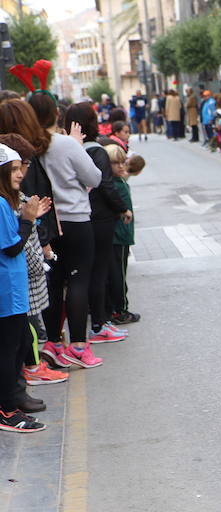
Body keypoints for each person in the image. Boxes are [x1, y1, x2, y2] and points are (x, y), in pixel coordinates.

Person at [30, 95, 105, 368]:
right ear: (55, 115)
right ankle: (78, 346)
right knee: (78, 280)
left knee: (55, 279)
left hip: (46, 220)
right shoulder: (64, 143)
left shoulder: (29, 145)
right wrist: (78, 146)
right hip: (75, 217)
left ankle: (52, 342)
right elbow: (94, 177)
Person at [66, 103, 131, 345]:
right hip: (99, 217)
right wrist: (122, 208)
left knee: (81, 275)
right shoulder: (96, 150)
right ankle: (99, 324)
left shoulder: (63, 148)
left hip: (72, 217)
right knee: (98, 272)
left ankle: (95, 324)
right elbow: (103, 183)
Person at [0, 143, 52, 432]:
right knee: (8, 353)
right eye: (15, 169)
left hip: (13, 291)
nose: (20, 174)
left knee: (16, 350)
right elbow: (11, 247)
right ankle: (7, 411)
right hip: (6, 292)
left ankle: (9, 406)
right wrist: (28, 220)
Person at [108, 150, 143, 325]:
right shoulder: (115, 185)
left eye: (123, 162)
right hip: (119, 235)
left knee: (117, 272)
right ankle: (119, 310)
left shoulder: (117, 182)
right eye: (116, 163)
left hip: (119, 235)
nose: (122, 166)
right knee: (118, 274)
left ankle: (116, 308)